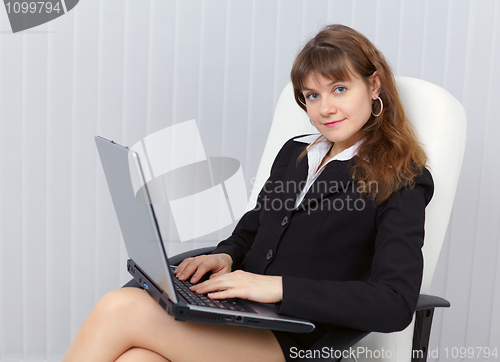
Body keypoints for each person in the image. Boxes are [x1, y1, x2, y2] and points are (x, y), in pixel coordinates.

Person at [63, 24, 433, 362]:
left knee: (120, 307)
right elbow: (255, 227)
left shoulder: (402, 180)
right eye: (312, 95)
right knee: (137, 360)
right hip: (239, 319)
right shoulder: (296, 154)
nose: (325, 108)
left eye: (339, 89)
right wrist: (225, 255)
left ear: (373, 86)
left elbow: (395, 302)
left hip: (294, 342)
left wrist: (276, 287)